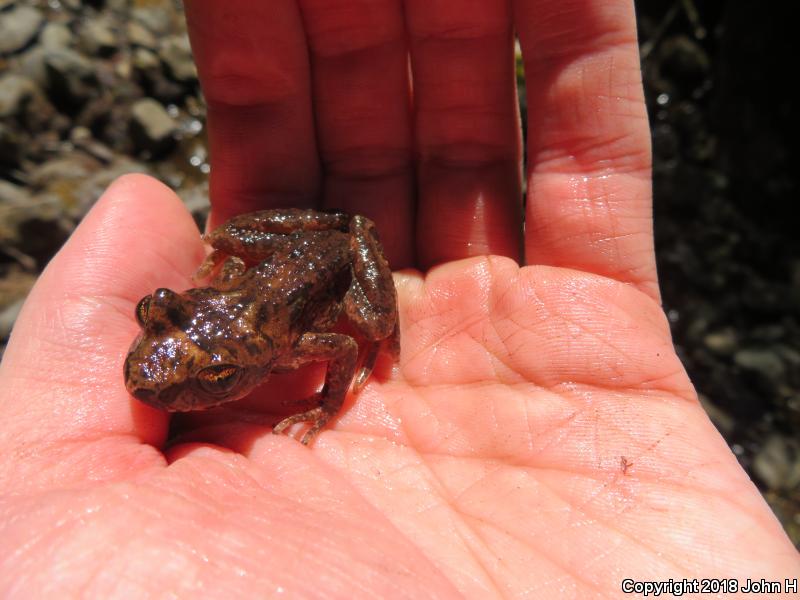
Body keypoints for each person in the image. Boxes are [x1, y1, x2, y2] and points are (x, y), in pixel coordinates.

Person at [1, 0, 797, 595]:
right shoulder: (241, 337)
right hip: (269, 264)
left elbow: (345, 342)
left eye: (200, 378)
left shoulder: (284, 348)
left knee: (372, 312)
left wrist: (328, 401)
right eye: (159, 315)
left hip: (331, 262)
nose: (162, 364)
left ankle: (378, 305)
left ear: (236, 376)